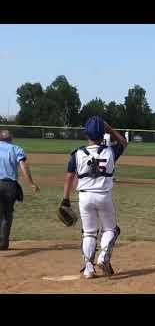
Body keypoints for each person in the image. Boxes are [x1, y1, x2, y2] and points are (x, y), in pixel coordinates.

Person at [62, 117, 128, 279]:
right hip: (104, 196)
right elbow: (124, 142)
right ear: (102, 133)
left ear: (87, 134)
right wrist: (110, 129)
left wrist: (65, 199)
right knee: (110, 230)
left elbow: (69, 177)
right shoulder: (110, 151)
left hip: (84, 198)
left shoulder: (77, 154)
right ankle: (104, 257)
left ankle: (89, 269)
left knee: (89, 233)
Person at [0, 130, 39, 250]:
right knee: (7, 214)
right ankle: (3, 243)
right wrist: (31, 183)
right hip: (9, 185)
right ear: (10, 139)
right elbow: (23, 166)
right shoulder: (16, 149)